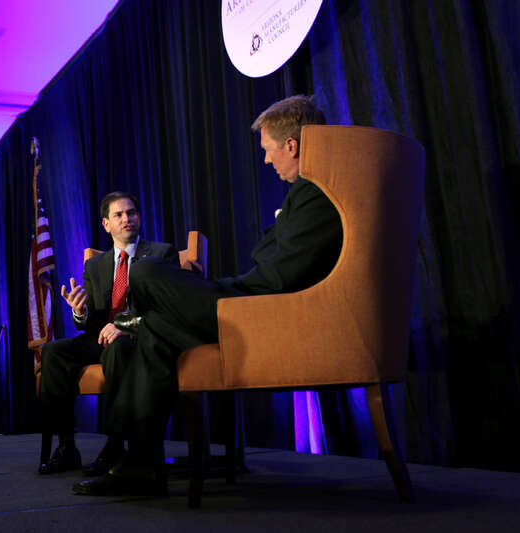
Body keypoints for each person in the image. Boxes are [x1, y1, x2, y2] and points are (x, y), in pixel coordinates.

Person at [73, 95, 344, 496]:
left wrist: (225, 287)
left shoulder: (316, 191)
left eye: (268, 150)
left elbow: (280, 277)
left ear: (292, 145)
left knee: (146, 270)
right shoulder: (307, 194)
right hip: (253, 297)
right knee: (155, 331)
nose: (267, 161)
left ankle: (136, 326)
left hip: (263, 308)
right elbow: (273, 262)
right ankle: (141, 464)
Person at [38, 191, 179, 475]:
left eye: (131, 213)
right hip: (102, 337)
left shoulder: (161, 254)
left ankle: (115, 445)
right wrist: (80, 311)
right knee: (53, 351)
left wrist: (124, 326)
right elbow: (89, 323)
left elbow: (166, 308)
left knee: (117, 348)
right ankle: (66, 448)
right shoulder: (95, 265)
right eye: (119, 214)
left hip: (140, 337)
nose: (127, 219)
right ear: (106, 224)